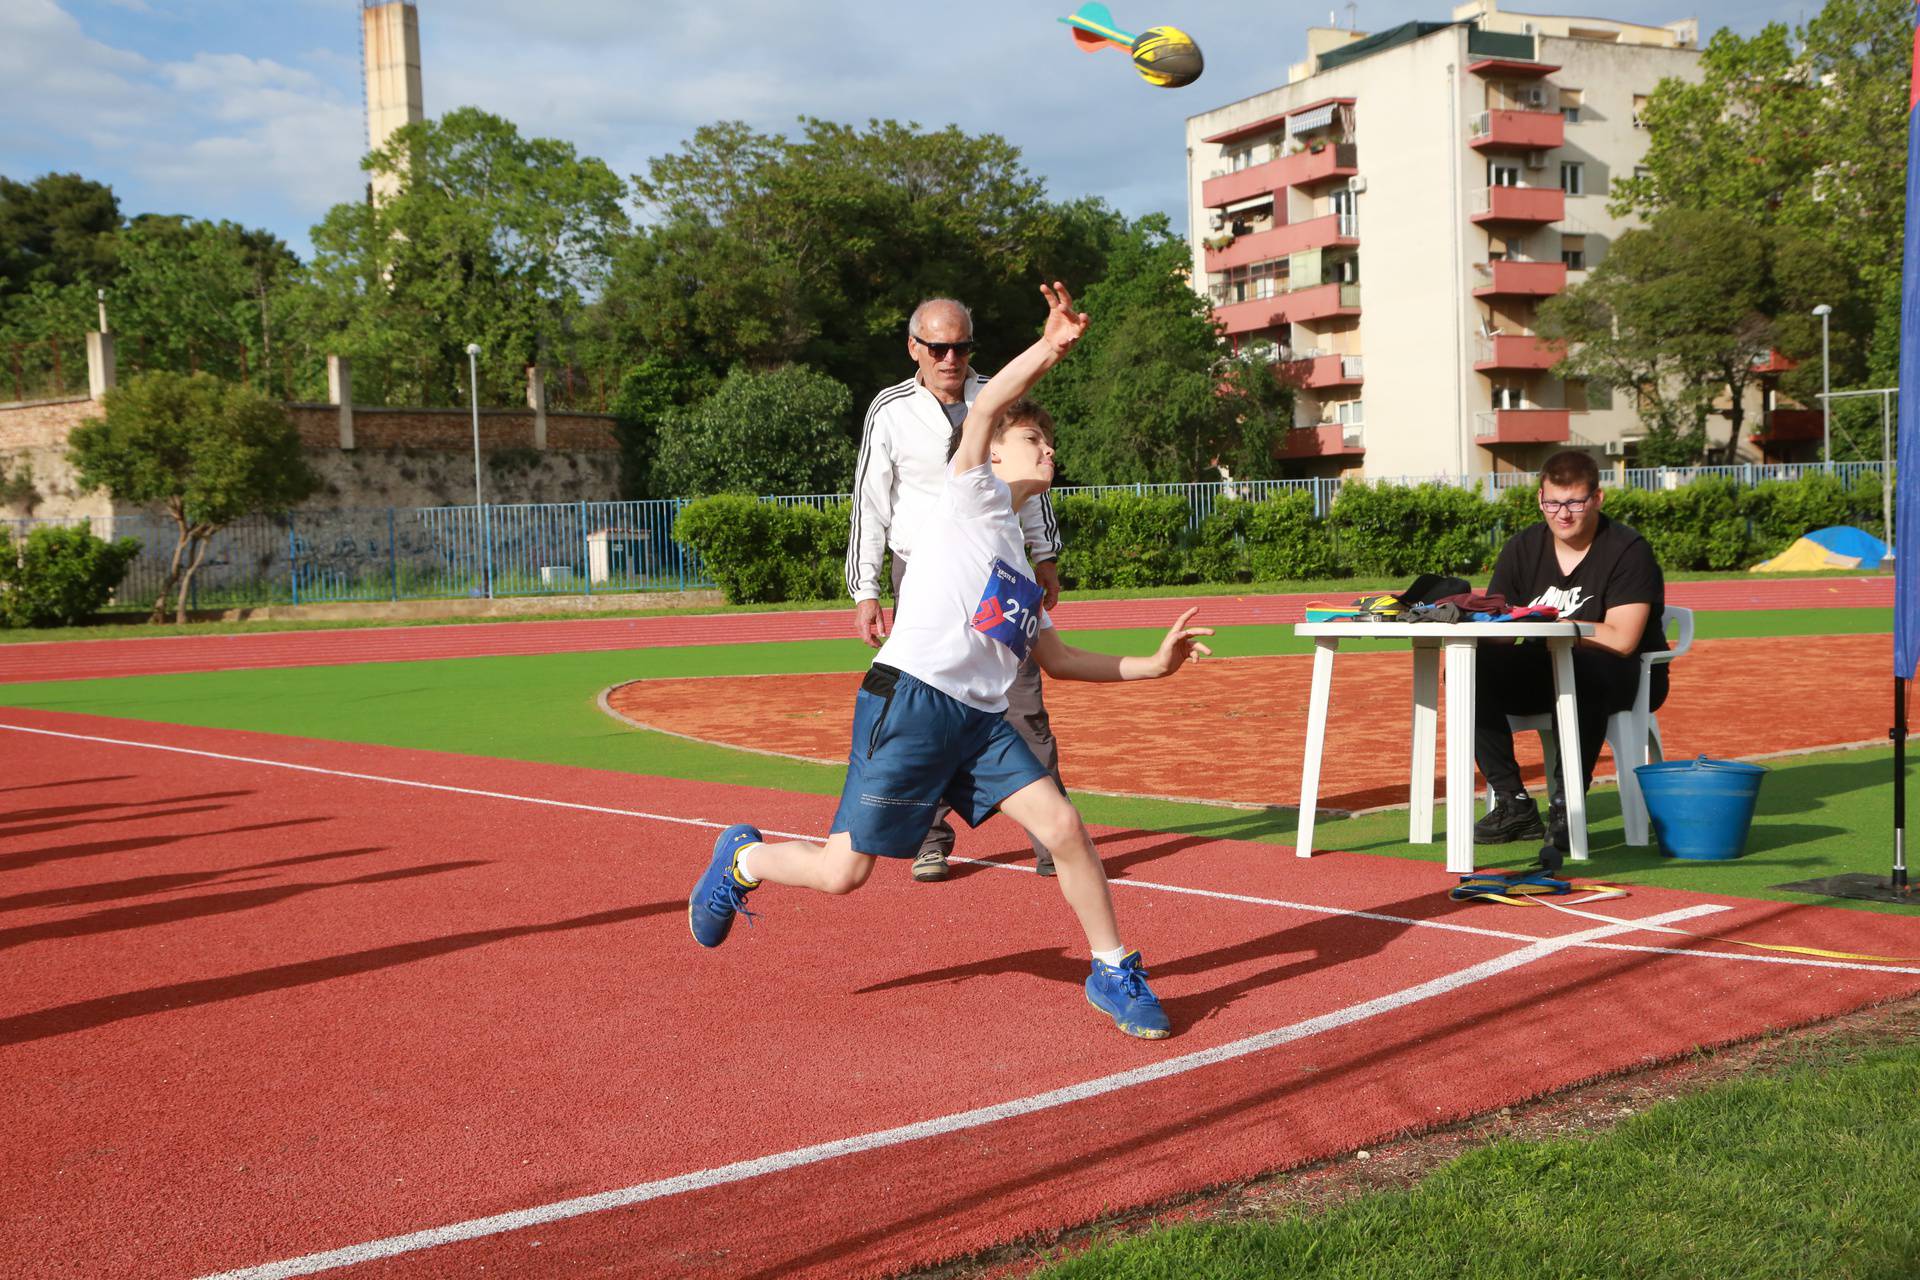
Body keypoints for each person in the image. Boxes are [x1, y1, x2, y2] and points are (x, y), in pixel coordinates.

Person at [689, 282, 1213, 1040]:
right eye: (1035, 441)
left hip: (980, 722)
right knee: (844, 874)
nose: (1050, 450)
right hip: (912, 702)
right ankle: (745, 860)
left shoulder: (1018, 563)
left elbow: (1056, 660)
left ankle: (1111, 971)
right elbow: (990, 397)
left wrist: (1150, 666)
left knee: (1064, 825)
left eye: (1048, 443)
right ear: (992, 449)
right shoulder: (968, 495)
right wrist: (1052, 346)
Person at [846, 297, 1066, 883]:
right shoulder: (889, 410)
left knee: (1023, 701)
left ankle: (1053, 836)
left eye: (962, 347)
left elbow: (1030, 485)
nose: (951, 358)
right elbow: (869, 500)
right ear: (914, 348)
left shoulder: (998, 397)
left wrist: (1043, 556)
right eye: (938, 347)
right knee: (934, 703)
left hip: (1000, 572)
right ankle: (931, 837)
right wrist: (865, 588)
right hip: (923, 576)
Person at [1475, 449, 1669, 851]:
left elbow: (1622, 638)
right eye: (1552, 503)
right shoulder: (1522, 548)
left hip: (1621, 675)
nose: (1562, 514)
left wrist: (1562, 627)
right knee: (1470, 667)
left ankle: (1566, 806)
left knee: (1582, 667)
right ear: (1539, 499)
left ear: (1597, 498)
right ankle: (1513, 801)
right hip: (1544, 670)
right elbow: (1498, 624)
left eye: (1574, 502)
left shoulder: (1628, 549)